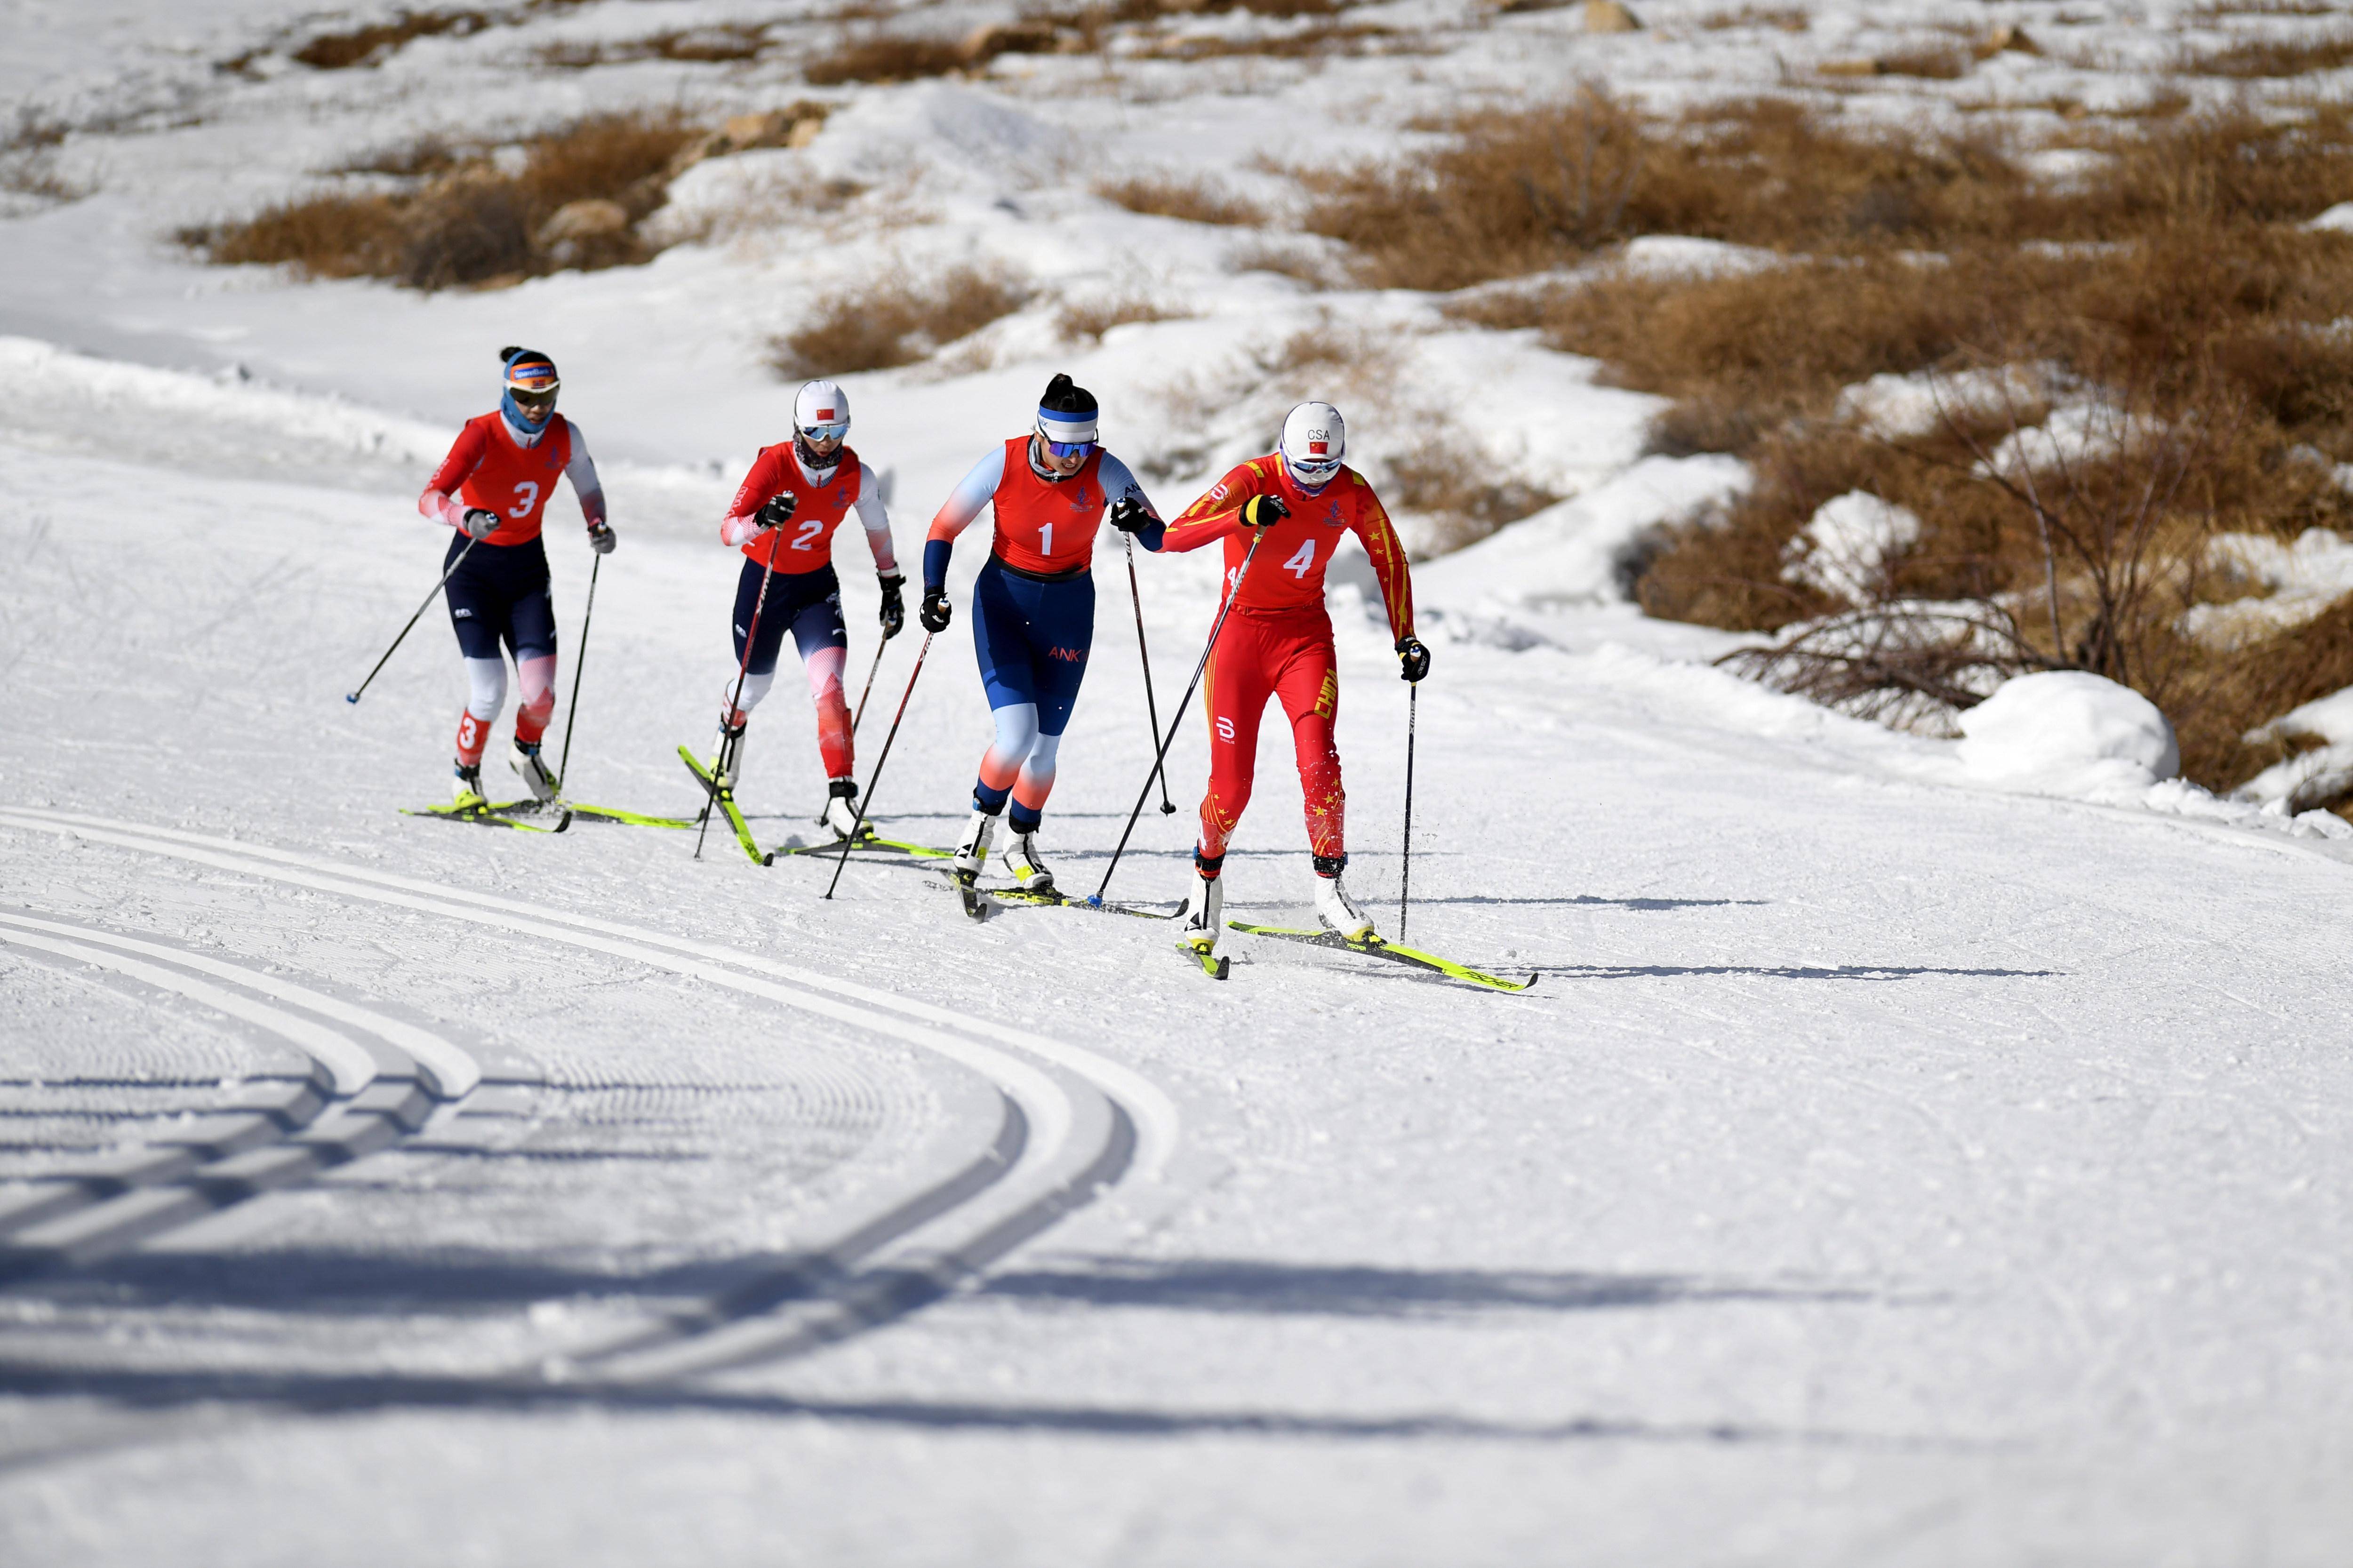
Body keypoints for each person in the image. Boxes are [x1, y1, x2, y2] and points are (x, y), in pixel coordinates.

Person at [1154, 401, 1431, 960]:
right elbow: (1171, 536)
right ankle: (1205, 880)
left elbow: (1390, 558)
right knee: (1231, 786)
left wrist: (1405, 635)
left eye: (1325, 470)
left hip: (1304, 639)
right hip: (1238, 641)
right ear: (1284, 453)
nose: (1314, 482)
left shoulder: (1350, 490)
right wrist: (1243, 515)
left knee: (1319, 761)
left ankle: (1329, 889)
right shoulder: (1250, 479)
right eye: (1304, 470)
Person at [920, 373, 1163, 892]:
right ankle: (975, 834)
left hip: (1068, 609)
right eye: (1060, 446)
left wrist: (1133, 518)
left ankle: (1020, 843)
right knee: (1015, 737)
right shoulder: (1003, 461)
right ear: (1038, 434)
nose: (1072, 458)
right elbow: (943, 527)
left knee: (1045, 747)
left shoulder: (1105, 469)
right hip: (1003, 602)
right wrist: (930, 590)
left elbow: (1158, 537)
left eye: (1083, 445)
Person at [416, 346, 615, 807]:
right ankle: (465, 776)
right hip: (473, 571)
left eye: (548, 396)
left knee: (541, 695)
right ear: (508, 394)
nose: (538, 408)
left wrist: (597, 525)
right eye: (527, 397)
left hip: (526, 571)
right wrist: (465, 516)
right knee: (489, 691)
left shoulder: (565, 435)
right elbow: (429, 498)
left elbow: (588, 485)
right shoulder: (481, 434)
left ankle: (527, 751)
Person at [708, 379, 904, 839]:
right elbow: (727, 530)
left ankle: (841, 799)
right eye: (817, 434)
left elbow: (877, 528)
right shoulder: (773, 465)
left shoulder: (857, 474)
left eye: (838, 431)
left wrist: (890, 582)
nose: (828, 443)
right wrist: (763, 521)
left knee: (830, 688)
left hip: (816, 589)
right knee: (754, 685)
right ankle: (727, 738)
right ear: (798, 430)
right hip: (766, 583)